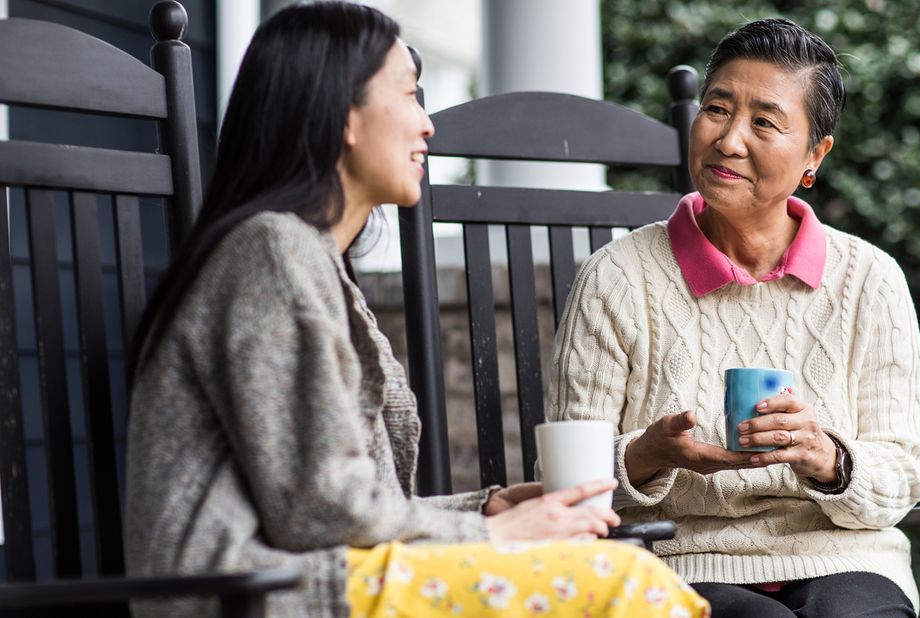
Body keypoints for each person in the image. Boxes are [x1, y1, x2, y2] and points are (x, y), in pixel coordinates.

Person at [123, 3, 709, 617]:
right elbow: (318, 511)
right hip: (257, 598)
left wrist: (483, 509)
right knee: (622, 585)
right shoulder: (272, 253)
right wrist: (494, 537)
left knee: (618, 574)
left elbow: (337, 508)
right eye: (408, 95)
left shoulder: (308, 257)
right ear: (342, 115)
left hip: (314, 580)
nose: (427, 125)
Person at [548, 17, 920, 618]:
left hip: (844, 560)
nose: (729, 140)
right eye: (718, 109)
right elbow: (567, 481)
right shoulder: (617, 277)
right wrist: (649, 454)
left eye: (765, 123)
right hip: (673, 561)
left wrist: (827, 457)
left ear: (814, 154)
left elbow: (903, 471)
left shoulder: (870, 281)